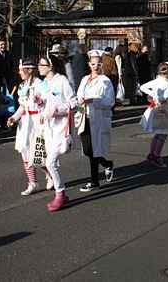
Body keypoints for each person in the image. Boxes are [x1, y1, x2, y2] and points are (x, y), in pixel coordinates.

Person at [6, 59, 52, 195]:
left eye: (21, 70)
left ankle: (50, 174)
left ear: (29, 70)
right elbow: (22, 106)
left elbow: (49, 100)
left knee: (38, 153)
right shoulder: (22, 86)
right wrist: (14, 117)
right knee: (25, 152)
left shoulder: (41, 84)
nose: (19, 72)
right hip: (25, 123)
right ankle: (33, 183)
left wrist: (41, 101)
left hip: (37, 121)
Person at [37, 54, 75, 212]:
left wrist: (58, 110)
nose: (39, 67)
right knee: (49, 162)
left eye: (42, 64)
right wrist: (39, 103)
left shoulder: (62, 81)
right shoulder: (44, 83)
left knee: (50, 163)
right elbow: (43, 106)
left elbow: (73, 102)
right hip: (48, 130)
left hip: (61, 129)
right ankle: (62, 195)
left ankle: (60, 194)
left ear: (50, 66)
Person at [76, 51, 115, 192]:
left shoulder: (105, 81)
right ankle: (107, 163)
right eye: (93, 64)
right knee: (87, 150)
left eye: (98, 64)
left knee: (93, 149)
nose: (96, 66)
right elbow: (79, 95)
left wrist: (93, 100)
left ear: (102, 65)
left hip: (97, 118)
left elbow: (110, 101)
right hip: (84, 117)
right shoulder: (84, 79)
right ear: (89, 65)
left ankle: (94, 181)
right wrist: (79, 100)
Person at [140, 62, 168, 168]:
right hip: (163, 109)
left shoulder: (156, 81)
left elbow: (143, 87)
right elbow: (164, 98)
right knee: (163, 134)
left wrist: (152, 95)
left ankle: (152, 154)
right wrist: (156, 96)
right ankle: (156, 156)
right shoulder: (167, 83)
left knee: (158, 133)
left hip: (155, 108)